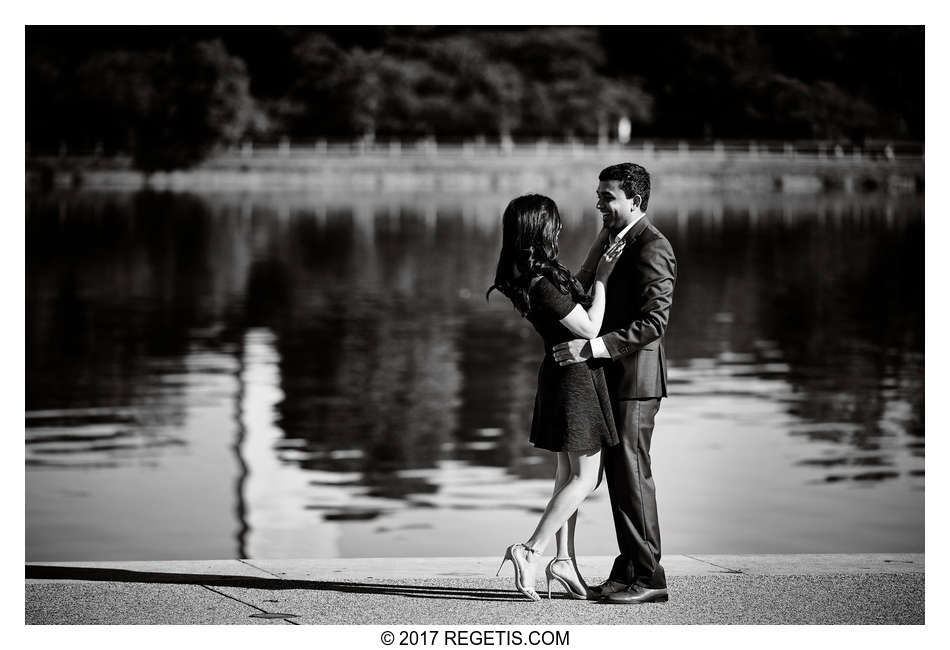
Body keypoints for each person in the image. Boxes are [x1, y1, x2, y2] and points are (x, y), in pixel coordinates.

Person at [487, 193, 623, 601]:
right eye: (555, 223)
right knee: (586, 477)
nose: (560, 227)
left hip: (562, 376)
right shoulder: (540, 283)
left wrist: (601, 243)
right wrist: (604, 278)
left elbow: (574, 288)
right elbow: (589, 327)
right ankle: (531, 550)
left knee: (567, 477)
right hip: (574, 380)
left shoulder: (532, 274)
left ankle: (563, 560)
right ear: (540, 229)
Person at [553, 162, 676, 605]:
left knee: (632, 475)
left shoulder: (653, 247)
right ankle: (628, 571)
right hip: (611, 378)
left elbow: (653, 323)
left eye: (607, 197)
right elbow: (585, 289)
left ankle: (650, 578)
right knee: (621, 478)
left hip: (637, 382)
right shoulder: (611, 240)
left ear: (634, 201)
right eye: (599, 194)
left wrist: (593, 348)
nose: (599, 203)